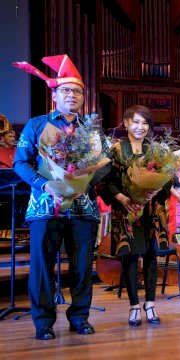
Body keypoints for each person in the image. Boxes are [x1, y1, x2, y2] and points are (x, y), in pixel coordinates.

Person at [13, 54, 108, 340]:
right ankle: (43, 322)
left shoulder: (91, 130)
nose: (72, 95)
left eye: (77, 91)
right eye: (66, 90)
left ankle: (79, 316)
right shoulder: (36, 125)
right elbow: (21, 162)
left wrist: (86, 184)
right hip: (45, 207)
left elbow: (106, 165)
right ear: (54, 95)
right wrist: (45, 185)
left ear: (83, 97)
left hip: (83, 208)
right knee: (42, 267)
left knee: (81, 267)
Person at [99, 105, 166, 326]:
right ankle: (134, 306)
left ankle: (151, 304)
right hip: (126, 210)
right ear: (126, 123)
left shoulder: (156, 149)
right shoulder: (116, 149)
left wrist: (158, 189)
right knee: (129, 257)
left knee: (150, 257)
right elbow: (105, 181)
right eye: (136, 122)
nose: (141, 127)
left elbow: (168, 179)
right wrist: (119, 196)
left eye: (145, 123)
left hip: (152, 211)